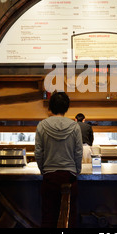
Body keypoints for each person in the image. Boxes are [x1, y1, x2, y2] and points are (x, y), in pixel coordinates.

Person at [35, 92, 83, 227]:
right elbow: (78, 152)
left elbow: (38, 152)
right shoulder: (74, 126)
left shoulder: (42, 125)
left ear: (50, 107)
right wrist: (77, 170)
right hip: (69, 177)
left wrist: (42, 170)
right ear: (67, 107)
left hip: (49, 177)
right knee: (69, 216)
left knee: (48, 217)